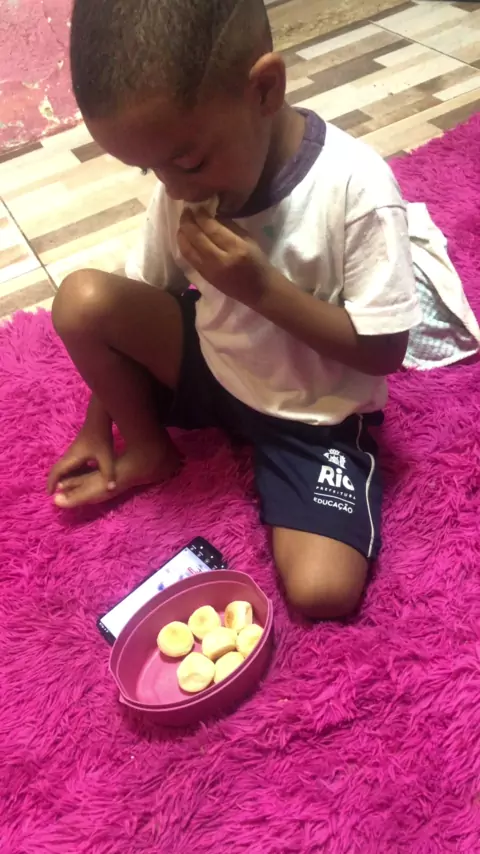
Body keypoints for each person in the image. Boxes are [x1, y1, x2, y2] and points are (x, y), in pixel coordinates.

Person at [48, 0, 423, 620]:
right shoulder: (181, 183)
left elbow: (386, 351)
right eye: (150, 170)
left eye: (187, 162)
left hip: (312, 414)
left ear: (265, 89)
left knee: (323, 592)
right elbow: (146, 292)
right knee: (81, 300)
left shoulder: (356, 188)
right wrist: (99, 425)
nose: (173, 188)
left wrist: (261, 289)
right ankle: (150, 448)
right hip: (212, 365)